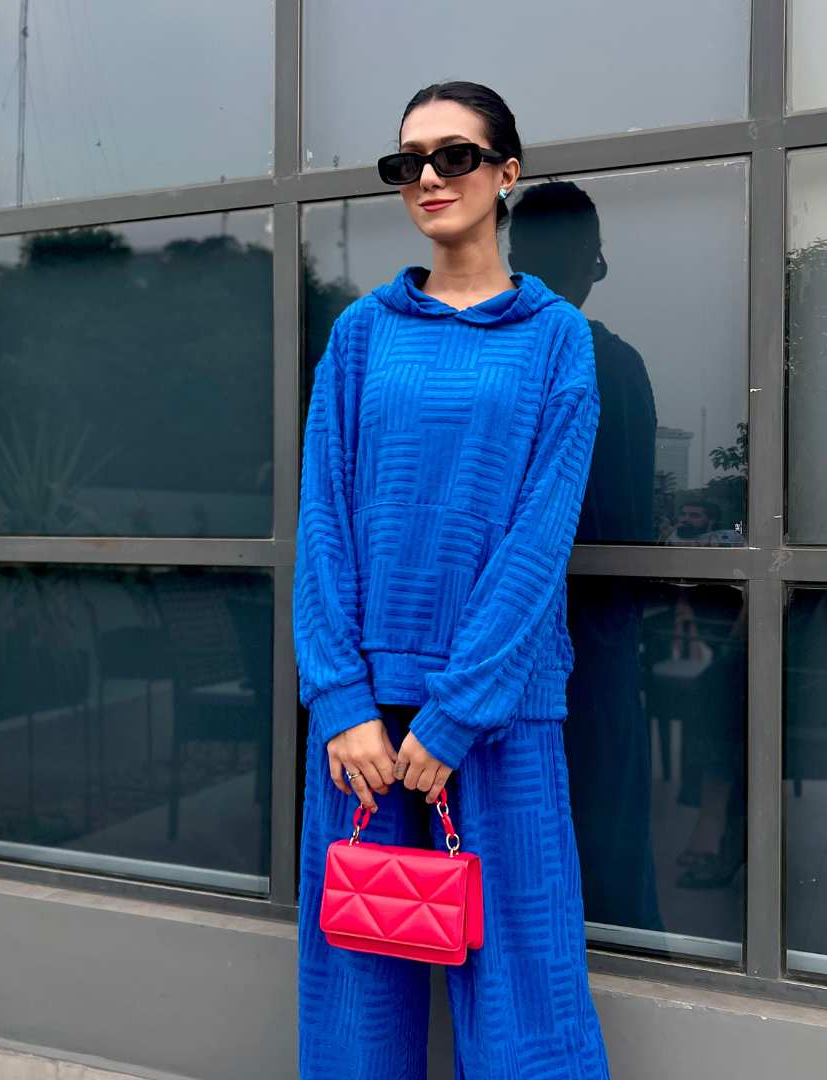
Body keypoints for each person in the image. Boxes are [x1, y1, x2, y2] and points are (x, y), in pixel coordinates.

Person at [294, 82, 610, 1080]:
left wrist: (457, 714)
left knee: (527, 1001)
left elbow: (539, 541)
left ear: (507, 172)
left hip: (499, 713)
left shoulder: (555, 337)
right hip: (363, 727)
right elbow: (323, 519)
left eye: (455, 156)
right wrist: (341, 701)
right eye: (408, 162)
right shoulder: (361, 334)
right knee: (355, 997)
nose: (429, 177)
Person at [508, 182, 662, 930]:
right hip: (596, 638)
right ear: (592, 264)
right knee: (607, 841)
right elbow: (636, 519)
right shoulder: (616, 366)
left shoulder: (487, 361)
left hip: (493, 650)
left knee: (503, 850)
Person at [664, 499, 742, 546]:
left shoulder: (730, 536)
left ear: (712, 520)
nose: (685, 519)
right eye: (683, 515)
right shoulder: (673, 537)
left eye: (694, 516)